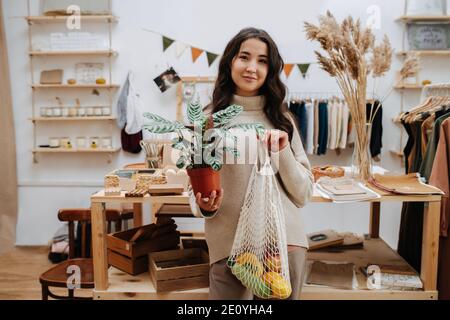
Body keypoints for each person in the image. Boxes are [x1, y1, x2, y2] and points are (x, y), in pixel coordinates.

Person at [189, 27, 314, 300]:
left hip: (283, 244)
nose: (252, 67)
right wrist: (203, 206)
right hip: (228, 245)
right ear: (229, 62)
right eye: (244, 57)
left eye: (262, 60)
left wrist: (282, 152)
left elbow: (303, 193)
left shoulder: (284, 121)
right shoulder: (208, 124)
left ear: (270, 69)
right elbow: (194, 190)